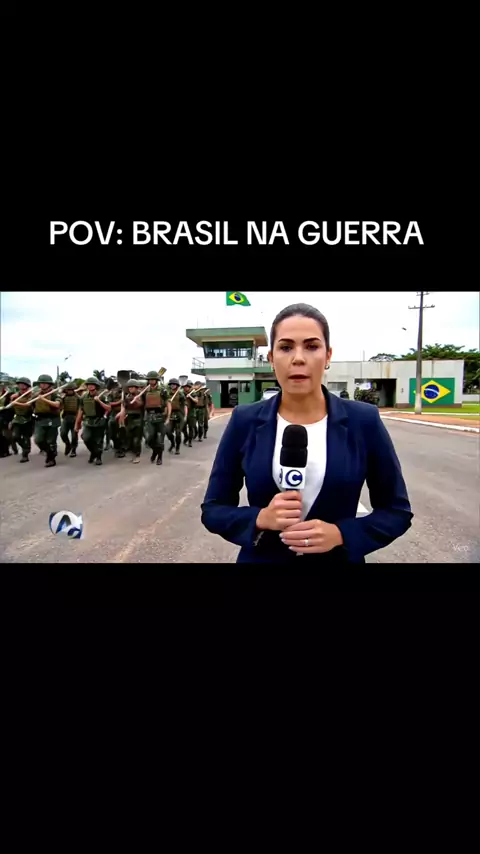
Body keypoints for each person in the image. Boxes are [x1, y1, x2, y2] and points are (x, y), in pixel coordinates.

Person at [201, 303, 413, 564]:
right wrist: (259, 518)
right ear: (271, 358)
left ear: (328, 356)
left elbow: (396, 511)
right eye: (286, 347)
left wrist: (342, 534)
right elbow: (214, 509)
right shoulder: (245, 421)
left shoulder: (363, 420)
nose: (298, 358)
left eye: (312, 346)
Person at [74, 376, 111, 465]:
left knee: (98, 440)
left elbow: (109, 408)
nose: (90, 386)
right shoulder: (83, 397)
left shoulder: (102, 396)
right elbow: (80, 410)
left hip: (99, 421)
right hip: (88, 421)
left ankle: (98, 457)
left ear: (96, 386)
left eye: (92, 384)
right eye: (89, 384)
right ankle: (93, 452)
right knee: (86, 438)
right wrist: (77, 423)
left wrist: (99, 401)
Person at [32, 374, 62, 467]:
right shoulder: (36, 395)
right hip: (40, 419)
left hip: (52, 419)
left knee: (51, 441)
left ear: (49, 384)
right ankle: (50, 452)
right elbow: (31, 405)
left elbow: (57, 404)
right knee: (38, 440)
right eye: (41, 383)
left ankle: (51, 459)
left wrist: (44, 399)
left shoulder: (54, 393)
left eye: (45, 383)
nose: (43, 385)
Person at [142, 371, 171, 465]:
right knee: (149, 438)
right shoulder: (145, 391)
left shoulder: (163, 390)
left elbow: (168, 403)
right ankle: (155, 451)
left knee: (160, 440)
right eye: (149, 379)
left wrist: (168, 417)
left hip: (160, 417)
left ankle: (159, 457)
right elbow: (143, 404)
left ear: (156, 380)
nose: (151, 381)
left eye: (153, 379)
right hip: (150, 417)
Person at [8, 377, 34, 462]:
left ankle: (25, 455)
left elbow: (29, 405)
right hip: (17, 419)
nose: (21, 386)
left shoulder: (31, 395)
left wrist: (16, 402)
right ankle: (26, 448)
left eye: (23, 384)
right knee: (15, 436)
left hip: (28, 418)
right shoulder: (14, 396)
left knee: (26, 437)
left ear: (27, 385)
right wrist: (11, 420)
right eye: (19, 384)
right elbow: (11, 409)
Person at [119, 379, 145, 463]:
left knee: (136, 440)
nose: (130, 388)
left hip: (138, 419)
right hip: (129, 419)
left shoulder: (141, 395)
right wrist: (121, 417)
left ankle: (137, 455)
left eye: (132, 387)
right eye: (129, 387)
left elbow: (141, 404)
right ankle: (133, 453)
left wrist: (136, 399)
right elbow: (124, 408)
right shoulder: (127, 397)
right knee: (129, 438)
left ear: (136, 388)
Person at [166, 378, 186, 455]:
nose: (172, 385)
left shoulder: (180, 394)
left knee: (178, 433)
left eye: (174, 384)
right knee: (168, 431)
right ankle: (172, 443)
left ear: (177, 385)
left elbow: (184, 405)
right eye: (171, 384)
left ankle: (177, 448)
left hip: (179, 414)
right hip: (171, 414)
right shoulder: (167, 394)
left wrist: (185, 415)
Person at [60, 382, 80, 457]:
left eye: (71, 389)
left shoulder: (78, 398)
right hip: (66, 417)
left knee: (74, 436)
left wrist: (79, 420)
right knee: (63, 433)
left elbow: (80, 409)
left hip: (75, 417)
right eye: (68, 389)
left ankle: (73, 450)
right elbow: (60, 406)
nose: (69, 391)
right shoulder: (63, 397)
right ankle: (68, 444)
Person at [105, 380, 124, 456]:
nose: (117, 388)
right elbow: (109, 404)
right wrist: (119, 402)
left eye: (118, 386)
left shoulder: (124, 393)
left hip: (123, 413)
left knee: (122, 432)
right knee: (112, 431)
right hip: (113, 414)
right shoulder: (110, 394)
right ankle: (116, 445)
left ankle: (121, 449)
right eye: (116, 386)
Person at [0, 382, 18, 457]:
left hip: (6, 418)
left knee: (8, 436)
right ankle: (3, 452)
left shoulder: (9, 395)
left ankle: (12, 449)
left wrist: (11, 420)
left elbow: (13, 408)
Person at [182, 380, 197, 447]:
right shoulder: (181, 393)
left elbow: (196, 401)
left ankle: (190, 441)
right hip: (183, 412)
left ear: (189, 387)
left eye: (187, 387)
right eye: (184, 387)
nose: (185, 388)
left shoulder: (193, 393)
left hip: (191, 412)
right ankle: (186, 437)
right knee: (183, 427)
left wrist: (190, 396)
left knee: (191, 427)